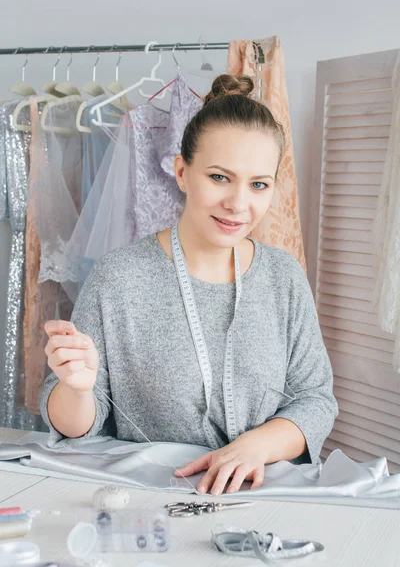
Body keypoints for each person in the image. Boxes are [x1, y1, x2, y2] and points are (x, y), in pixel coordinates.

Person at [40, 74, 338, 496]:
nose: (238, 204)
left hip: (262, 496)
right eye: (219, 177)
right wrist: (77, 387)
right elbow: (73, 427)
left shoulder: (283, 277)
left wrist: (253, 447)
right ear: (182, 172)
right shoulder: (119, 278)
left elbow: (315, 400)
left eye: (258, 185)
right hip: (150, 503)